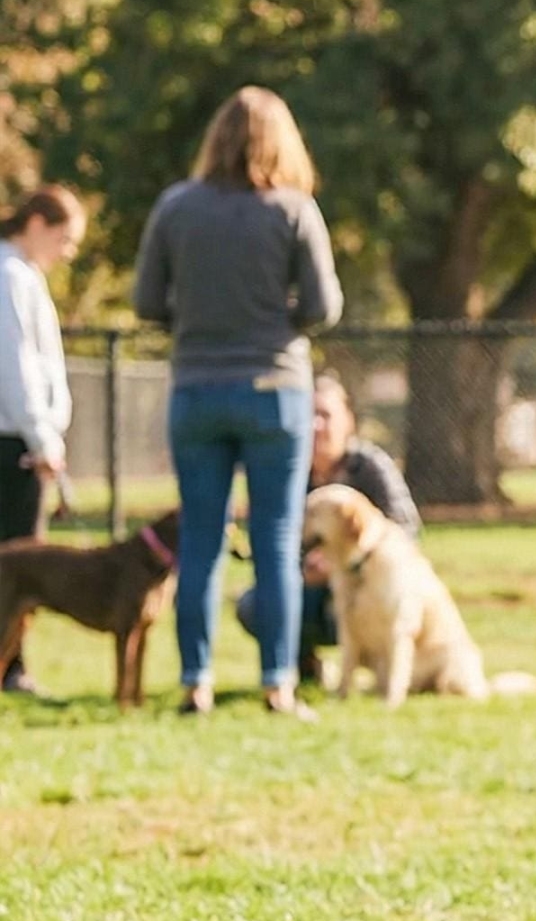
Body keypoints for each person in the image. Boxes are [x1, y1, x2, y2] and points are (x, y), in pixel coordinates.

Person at [134, 86, 343, 717]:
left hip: (196, 389)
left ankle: (195, 681)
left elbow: (146, 302)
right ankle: (278, 683)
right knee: (275, 540)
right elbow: (324, 307)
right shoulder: (293, 208)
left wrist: (199, 321)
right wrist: (273, 318)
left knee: (200, 541)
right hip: (275, 391)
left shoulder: (176, 206)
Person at [234, 372, 420, 682]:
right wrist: (303, 567)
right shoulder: (285, 473)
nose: (316, 425)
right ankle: (303, 665)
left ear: (348, 421)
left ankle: (377, 668)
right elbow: (266, 543)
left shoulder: (370, 467)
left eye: (326, 415)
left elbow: (407, 531)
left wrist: (352, 561)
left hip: (364, 587)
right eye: (309, 415)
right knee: (254, 606)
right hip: (308, 586)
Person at [0, 184, 85, 693]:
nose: (67, 252)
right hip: (14, 443)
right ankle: (11, 668)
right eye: (64, 238)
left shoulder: (23, 275)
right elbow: (15, 368)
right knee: (18, 564)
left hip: (25, 438)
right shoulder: (9, 275)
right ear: (36, 224)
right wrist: (41, 437)